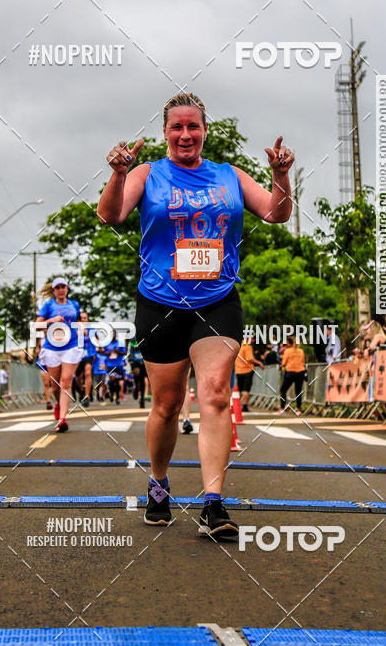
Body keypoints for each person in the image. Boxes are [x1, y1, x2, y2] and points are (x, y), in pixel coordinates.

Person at [97, 91, 294, 539]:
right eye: (177, 127)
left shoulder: (228, 175)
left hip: (216, 302)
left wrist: (281, 175)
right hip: (160, 304)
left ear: (206, 130)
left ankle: (213, 503)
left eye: (193, 126)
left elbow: (276, 213)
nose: (185, 135)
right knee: (166, 406)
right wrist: (118, 172)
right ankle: (160, 485)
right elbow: (110, 215)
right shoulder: (148, 174)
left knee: (216, 395)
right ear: (165, 132)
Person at [36, 277, 86, 432]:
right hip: (52, 347)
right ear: (53, 291)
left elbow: (78, 321)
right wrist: (51, 320)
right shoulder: (48, 305)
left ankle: (63, 418)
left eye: (63, 286)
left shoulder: (74, 305)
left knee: (66, 382)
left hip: (70, 346)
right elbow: (37, 325)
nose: (60, 289)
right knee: (56, 386)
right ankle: (58, 403)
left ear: (67, 288)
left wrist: (81, 329)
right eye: (57, 287)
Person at [234, 336, 263, 413]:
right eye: (253, 339)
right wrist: (259, 362)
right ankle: (245, 406)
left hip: (238, 370)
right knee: (246, 389)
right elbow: (249, 358)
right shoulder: (247, 346)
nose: (253, 341)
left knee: (239, 389)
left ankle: (237, 406)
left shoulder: (238, 344)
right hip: (247, 370)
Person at [279, 334, 306, 412]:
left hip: (290, 372)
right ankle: (298, 409)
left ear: (288, 343)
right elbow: (303, 362)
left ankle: (282, 407)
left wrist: (282, 366)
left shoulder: (287, 351)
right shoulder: (301, 351)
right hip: (300, 372)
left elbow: (284, 363)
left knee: (283, 390)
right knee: (298, 391)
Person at [74, 312, 96, 407]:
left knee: (87, 372)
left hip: (88, 355)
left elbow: (93, 339)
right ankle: (82, 391)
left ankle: (87, 396)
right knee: (78, 378)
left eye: (85, 318)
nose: (83, 320)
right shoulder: (73, 329)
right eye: (81, 318)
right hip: (77, 356)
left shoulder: (91, 329)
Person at [105, 329, 127, 404]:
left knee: (118, 382)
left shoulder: (120, 343)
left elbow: (124, 353)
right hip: (110, 365)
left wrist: (117, 352)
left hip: (119, 365)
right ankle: (111, 393)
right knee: (112, 380)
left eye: (114, 334)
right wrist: (108, 353)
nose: (113, 335)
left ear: (115, 335)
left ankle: (117, 397)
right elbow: (103, 353)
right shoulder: (107, 344)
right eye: (111, 334)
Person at [128, 337, 147, 409]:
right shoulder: (133, 340)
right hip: (135, 362)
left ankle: (142, 399)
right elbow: (131, 351)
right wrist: (132, 363)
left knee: (142, 381)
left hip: (144, 362)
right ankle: (136, 388)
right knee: (137, 377)